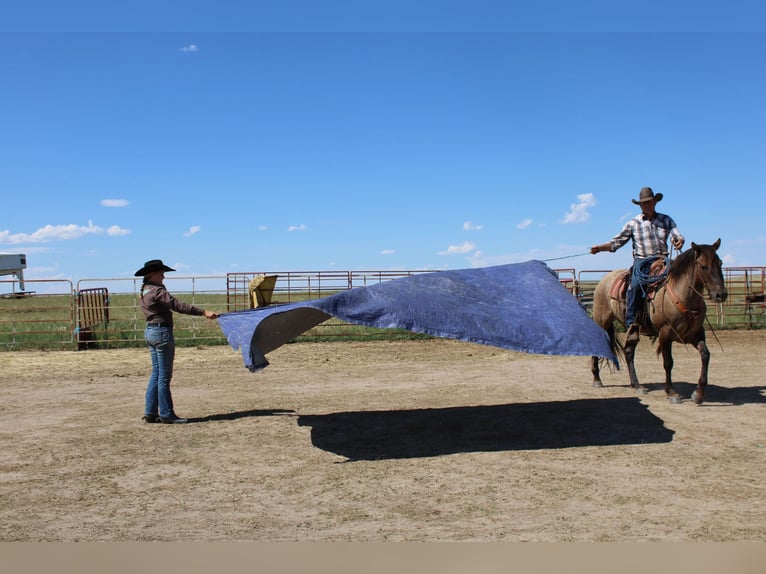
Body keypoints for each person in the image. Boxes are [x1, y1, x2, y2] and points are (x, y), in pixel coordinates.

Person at [135, 259, 219, 424]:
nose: (164, 276)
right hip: (161, 332)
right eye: (161, 273)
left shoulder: (146, 290)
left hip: (151, 331)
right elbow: (176, 305)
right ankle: (166, 413)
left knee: (157, 374)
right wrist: (203, 312)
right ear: (152, 274)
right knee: (164, 376)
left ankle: (150, 412)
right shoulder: (158, 291)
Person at [590, 187, 685, 331]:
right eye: (644, 203)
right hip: (643, 262)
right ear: (640, 205)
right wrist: (599, 248)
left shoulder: (666, 219)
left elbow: (676, 235)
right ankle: (631, 324)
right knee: (635, 286)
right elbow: (616, 242)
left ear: (655, 202)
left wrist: (679, 240)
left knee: (681, 280)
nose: (647, 205)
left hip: (663, 260)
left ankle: (681, 318)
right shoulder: (633, 224)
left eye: (649, 202)